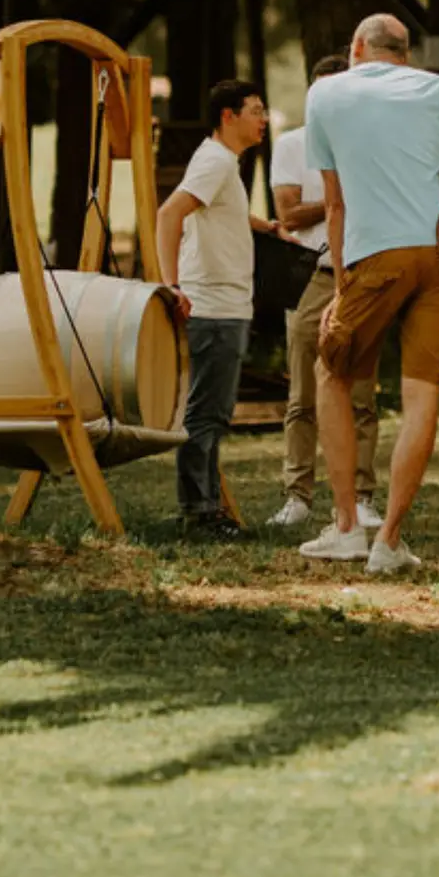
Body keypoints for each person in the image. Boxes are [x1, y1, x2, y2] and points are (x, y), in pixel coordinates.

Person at [297, 13, 439, 575]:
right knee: (421, 396)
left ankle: (347, 527)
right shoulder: (436, 88)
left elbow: (335, 205)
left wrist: (342, 285)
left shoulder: (325, 93)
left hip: (376, 254)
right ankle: (389, 540)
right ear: (404, 52)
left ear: (357, 46)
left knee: (332, 373)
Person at [156, 78, 277, 538]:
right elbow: (169, 214)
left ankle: (206, 509)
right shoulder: (215, 160)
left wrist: (265, 226)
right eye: (256, 110)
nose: (263, 119)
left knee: (213, 413)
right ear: (229, 116)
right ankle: (199, 514)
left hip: (227, 306)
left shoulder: (223, 162)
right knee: (206, 414)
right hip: (213, 307)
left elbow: (219, 209)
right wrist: (171, 285)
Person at [268, 54, 382, 531]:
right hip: (311, 275)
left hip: (362, 273)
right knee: (303, 394)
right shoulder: (292, 144)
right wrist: (338, 199)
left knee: (362, 395)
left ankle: (363, 496)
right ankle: (297, 494)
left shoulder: (372, 145)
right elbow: (289, 215)